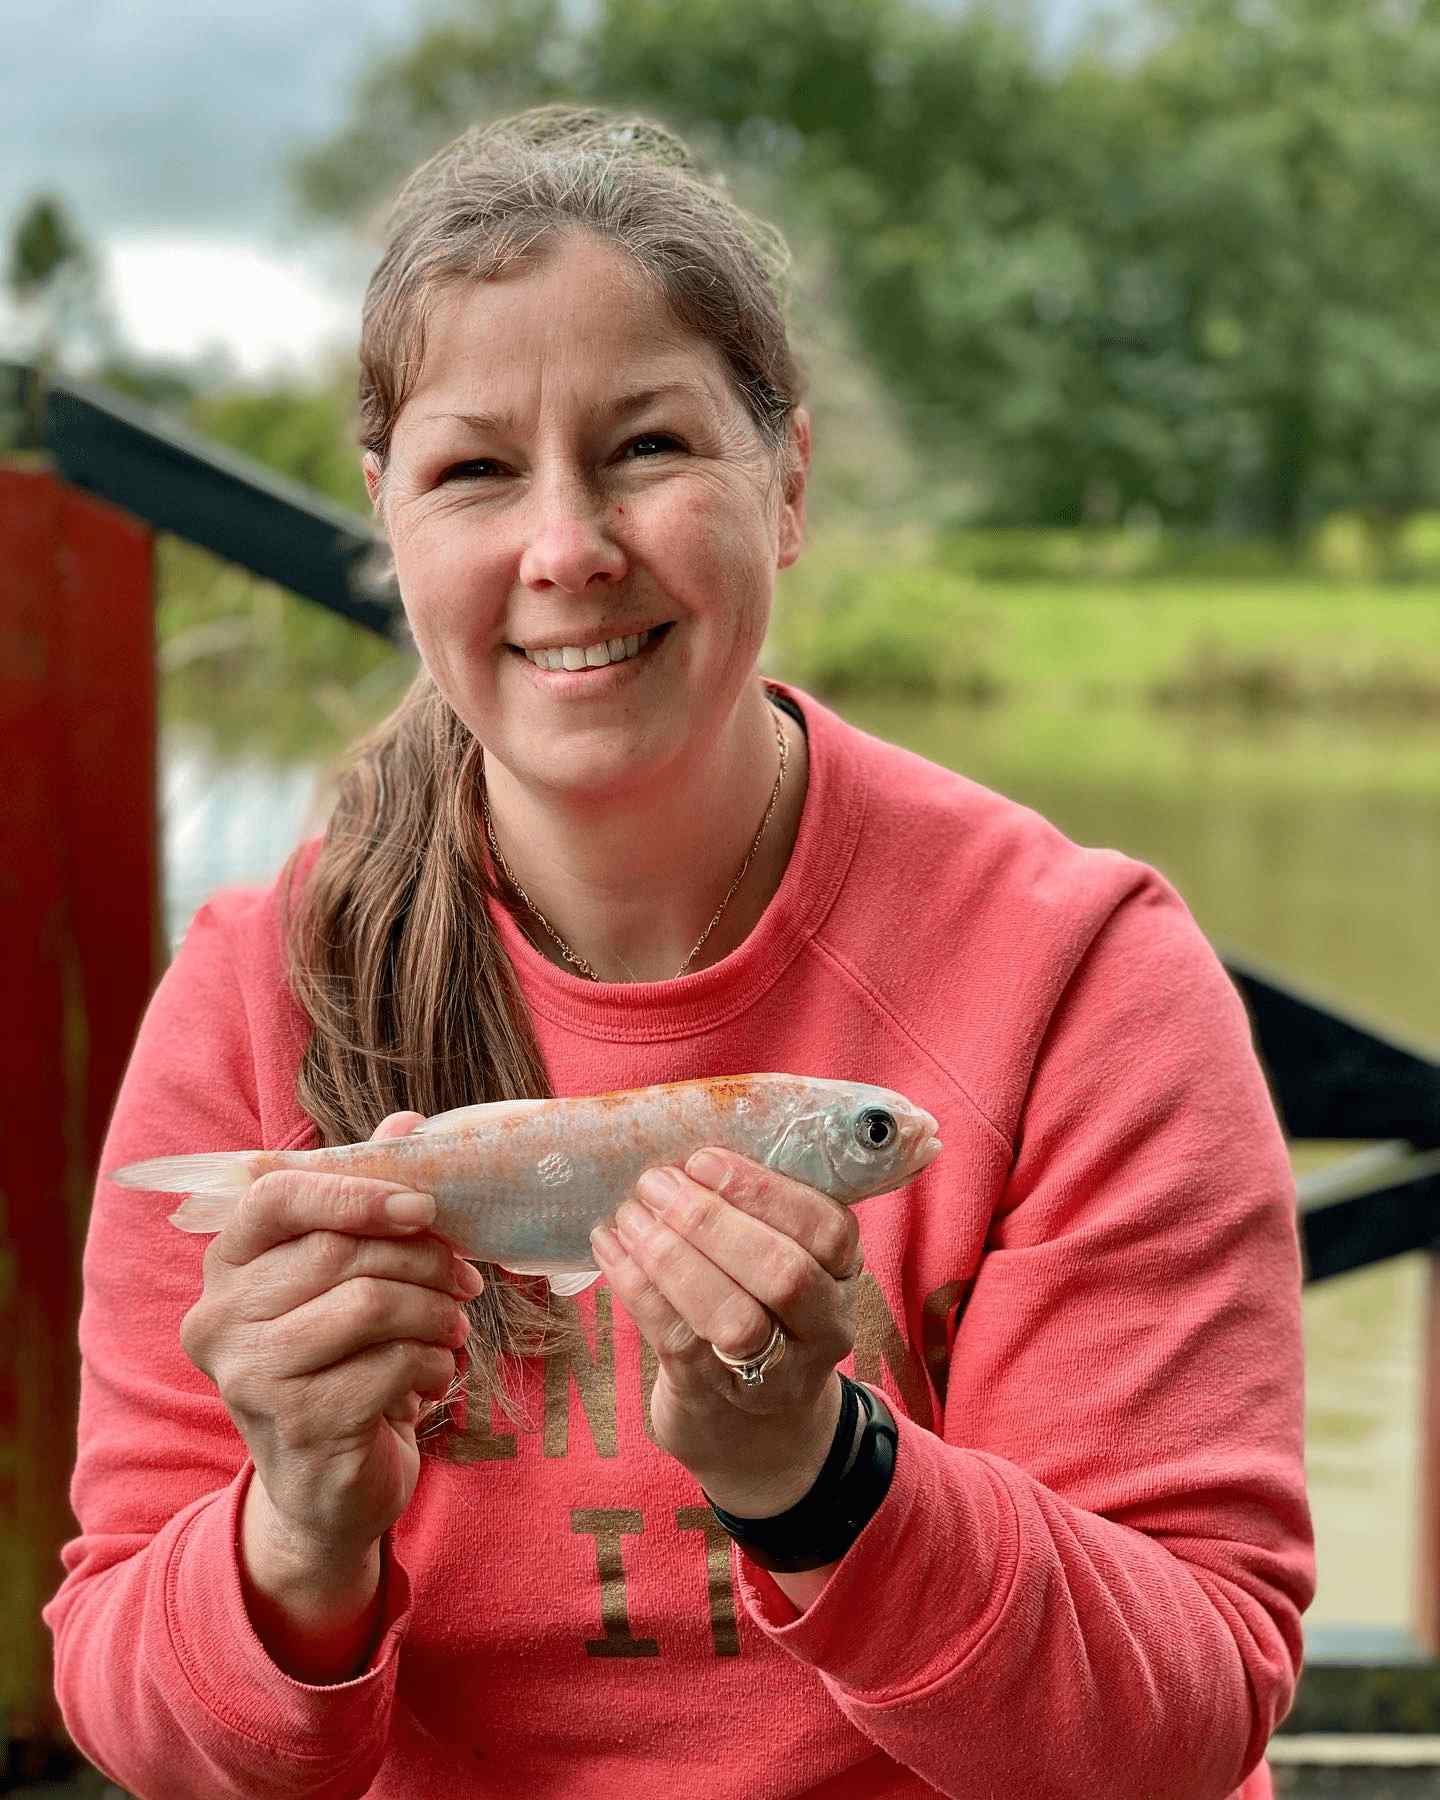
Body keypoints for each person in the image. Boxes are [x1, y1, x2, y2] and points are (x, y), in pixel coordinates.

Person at [45, 107, 1313, 1799]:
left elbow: (1190, 1710)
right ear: (390, 523)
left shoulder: (1085, 976)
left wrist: (825, 1478)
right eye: (476, 470)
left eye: (647, 446)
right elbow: (139, 1720)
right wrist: (294, 1527)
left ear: (784, 486)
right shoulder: (249, 997)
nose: (566, 548)